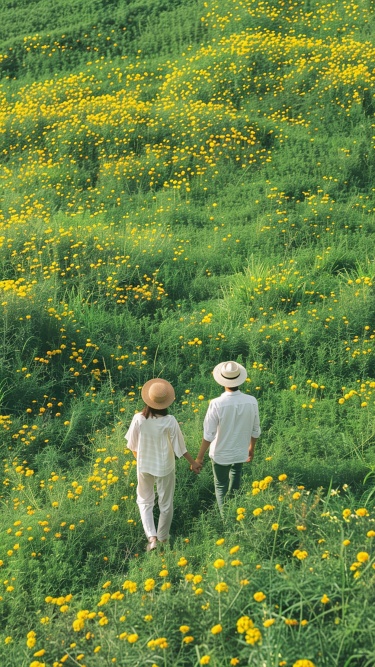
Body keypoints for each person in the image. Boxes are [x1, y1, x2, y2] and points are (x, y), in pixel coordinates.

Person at [125, 378, 201, 551]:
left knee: (144, 501)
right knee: (165, 504)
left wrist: (141, 460)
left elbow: (132, 445)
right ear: (166, 402)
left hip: (144, 466)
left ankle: (151, 537)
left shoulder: (139, 418)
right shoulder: (170, 420)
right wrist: (194, 463)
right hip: (165, 467)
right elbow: (180, 448)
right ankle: (163, 538)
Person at [195, 361, 261, 516]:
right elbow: (255, 429)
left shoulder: (217, 404)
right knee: (236, 476)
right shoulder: (251, 401)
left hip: (221, 453)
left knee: (220, 485)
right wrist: (251, 448)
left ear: (222, 380)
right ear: (240, 379)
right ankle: (235, 509)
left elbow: (208, 435)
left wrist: (199, 458)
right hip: (240, 451)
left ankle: (226, 520)